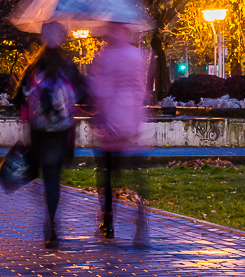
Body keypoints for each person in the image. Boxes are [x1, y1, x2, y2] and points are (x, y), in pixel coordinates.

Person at [13, 22, 86, 249]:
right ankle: (52, 221)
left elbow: (18, 99)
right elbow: (84, 94)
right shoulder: (68, 67)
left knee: (43, 176)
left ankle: (48, 218)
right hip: (62, 133)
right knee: (53, 178)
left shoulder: (34, 67)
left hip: (39, 133)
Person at [88, 22, 151, 245]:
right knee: (133, 172)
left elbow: (102, 90)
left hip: (112, 120)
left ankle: (107, 222)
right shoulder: (137, 55)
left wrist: (99, 117)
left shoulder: (106, 55)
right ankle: (141, 221)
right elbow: (141, 89)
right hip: (131, 120)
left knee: (106, 172)